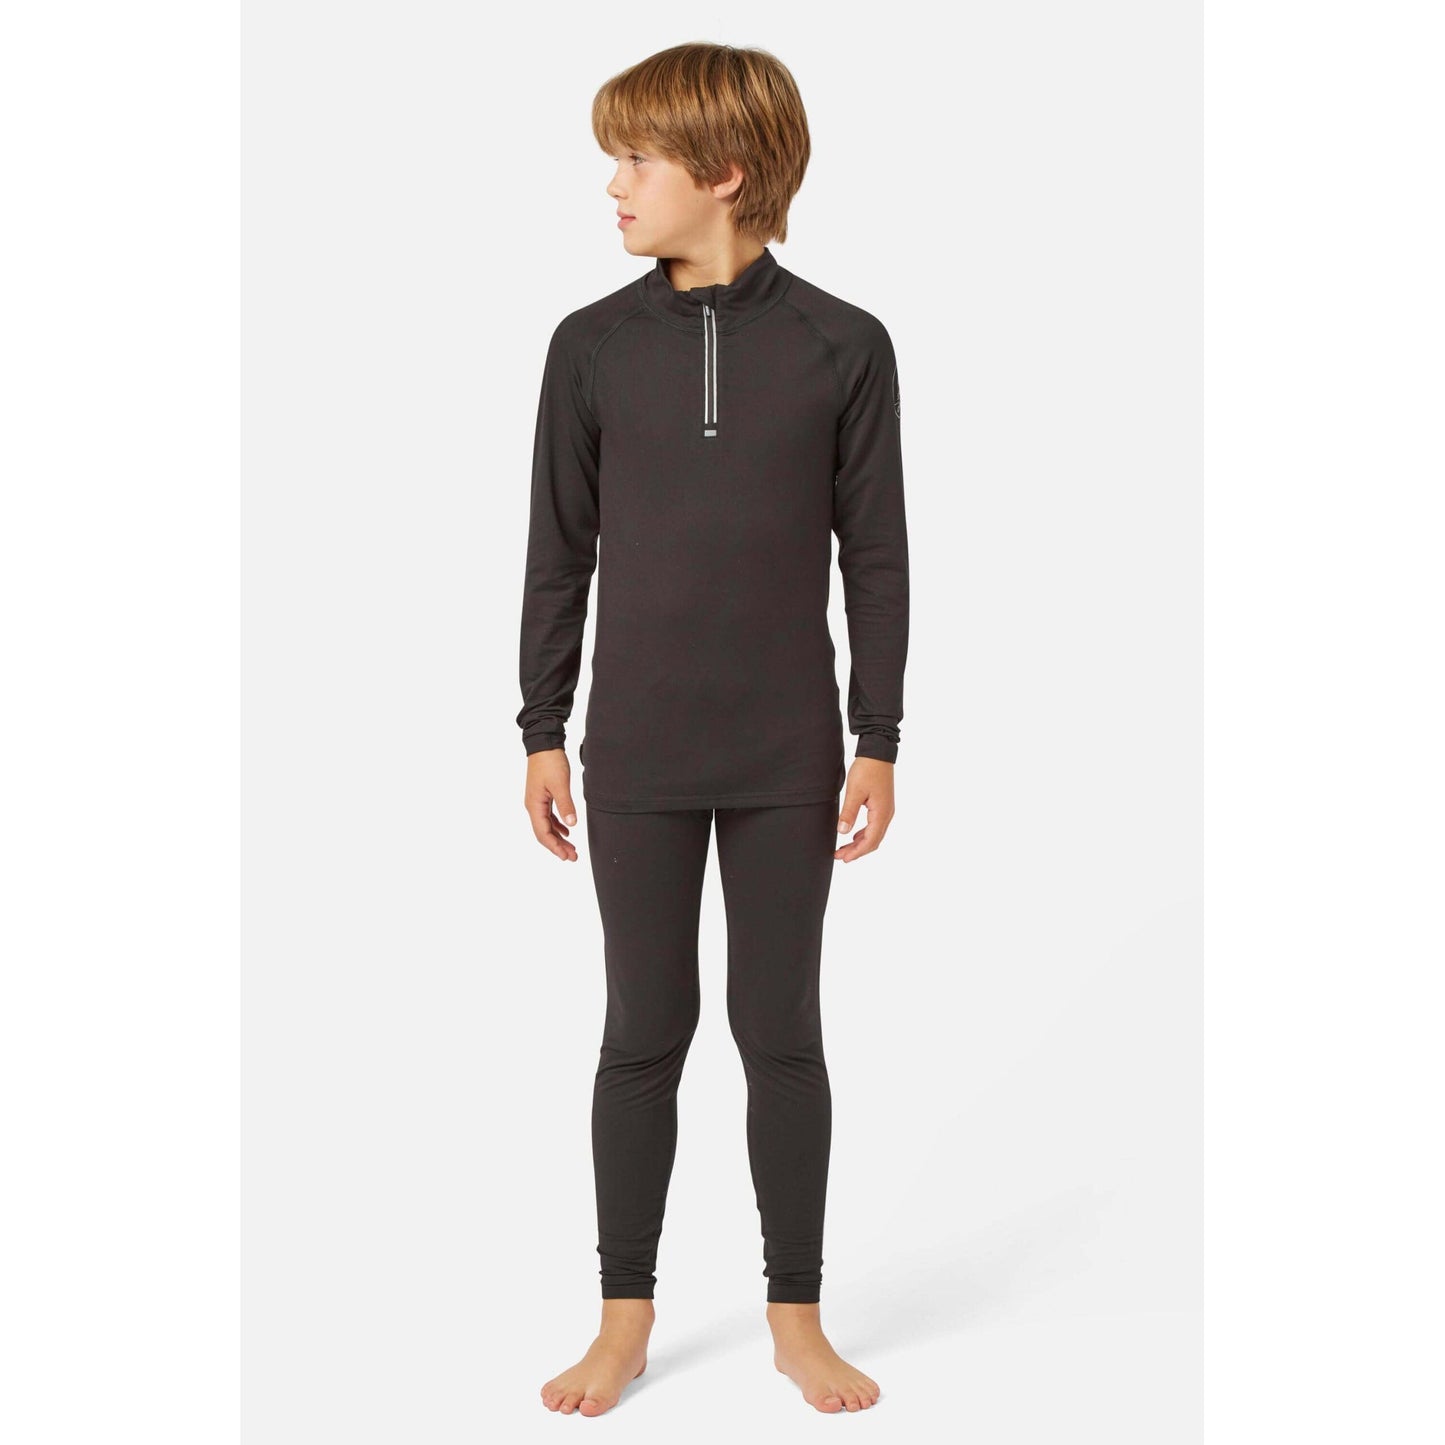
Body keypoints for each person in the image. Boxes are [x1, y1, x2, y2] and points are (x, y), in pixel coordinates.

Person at [517, 42, 909, 1416]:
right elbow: (557, 554)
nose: (613, 185)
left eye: (637, 159)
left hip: (787, 754)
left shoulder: (842, 346)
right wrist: (540, 725)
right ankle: (623, 1318)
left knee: (778, 1027)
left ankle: (796, 1319)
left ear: (726, 173)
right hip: (634, 750)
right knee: (644, 1027)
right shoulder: (590, 347)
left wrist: (877, 736)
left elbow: (876, 557)